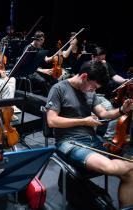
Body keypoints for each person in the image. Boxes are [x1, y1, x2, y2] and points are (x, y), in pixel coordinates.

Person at [45, 60, 133, 209]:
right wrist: (83, 121)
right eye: (93, 86)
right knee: (111, 167)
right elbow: (52, 121)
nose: (93, 90)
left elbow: (104, 113)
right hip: (69, 142)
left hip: (92, 140)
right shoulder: (59, 88)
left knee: (130, 175)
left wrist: (122, 111)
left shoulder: (90, 92)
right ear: (84, 76)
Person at [24, 30, 56, 96]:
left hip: (37, 70)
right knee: (42, 81)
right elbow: (28, 67)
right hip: (29, 72)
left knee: (53, 77)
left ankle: (54, 95)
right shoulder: (28, 49)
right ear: (36, 40)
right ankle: (46, 99)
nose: (41, 44)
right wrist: (43, 70)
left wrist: (56, 55)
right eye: (41, 42)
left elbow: (46, 60)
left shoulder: (39, 48)